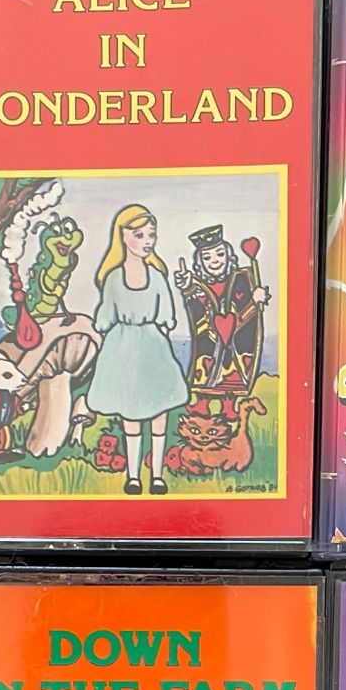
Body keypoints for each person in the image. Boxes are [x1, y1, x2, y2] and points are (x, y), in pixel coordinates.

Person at [86, 205, 188, 494]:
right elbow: (105, 317)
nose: (147, 241)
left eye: (151, 235)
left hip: (153, 348)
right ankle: (133, 477)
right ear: (123, 235)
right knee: (130, 415)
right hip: (122, 351)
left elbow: (166, 315)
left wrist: (161, 329)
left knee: (159, 414)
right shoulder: (113, 278)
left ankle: (157, 476)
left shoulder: (157, 276)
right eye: (139, 234)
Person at [174, 224, 269, 418]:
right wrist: (187, 287)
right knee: (206, 370)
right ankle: (202, 404)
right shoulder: (198, 285)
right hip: (209, 341)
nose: (215, 261)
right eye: (207, 257)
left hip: (236, 341)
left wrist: (257, 299)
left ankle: (228, 405)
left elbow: (248, 308)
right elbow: (194, 304)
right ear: (199, 262)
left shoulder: (241, 278)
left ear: (228, 255)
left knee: (232, 373)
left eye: (219, 254)